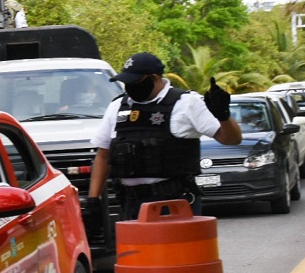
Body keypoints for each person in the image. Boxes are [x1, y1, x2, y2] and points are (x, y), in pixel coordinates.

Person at [85, 52, 242, 224]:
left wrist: (223, 116)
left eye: (134, 82)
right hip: (131, 205)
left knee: (177, 251)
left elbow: (231, 139)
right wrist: (94, 199)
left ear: (153, 78)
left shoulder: (186, 103)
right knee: (138, 252)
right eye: (126, 82)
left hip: (174, 204)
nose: (129, 87)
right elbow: (103, 155)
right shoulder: (117, 106)